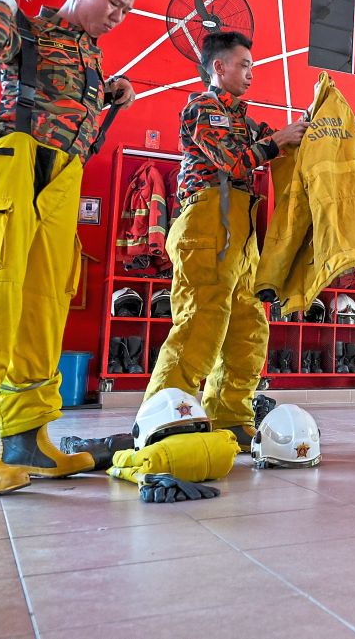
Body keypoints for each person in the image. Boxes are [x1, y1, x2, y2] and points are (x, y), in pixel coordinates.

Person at [0, 0, 142, 495]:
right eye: (112, 2)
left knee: (43, 305)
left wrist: (111, 94)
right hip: (9, 162)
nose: (118, 15)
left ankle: (27, 438)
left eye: (126, 9)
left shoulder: (90, 59)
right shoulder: (30, 27)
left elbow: (80, 124)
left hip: (61, 176)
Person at [142, 31, 308, 446]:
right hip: (207, 223)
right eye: (244, 65)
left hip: (242, 228)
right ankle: (164, 418)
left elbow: (281, 144)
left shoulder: (245, 120)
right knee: (200, 321)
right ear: (219, 67)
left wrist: (308, 128)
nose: (251, 74)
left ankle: (230, 415)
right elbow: (232, 161)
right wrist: (276, 141)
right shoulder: (203, 108)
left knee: (247, 326)